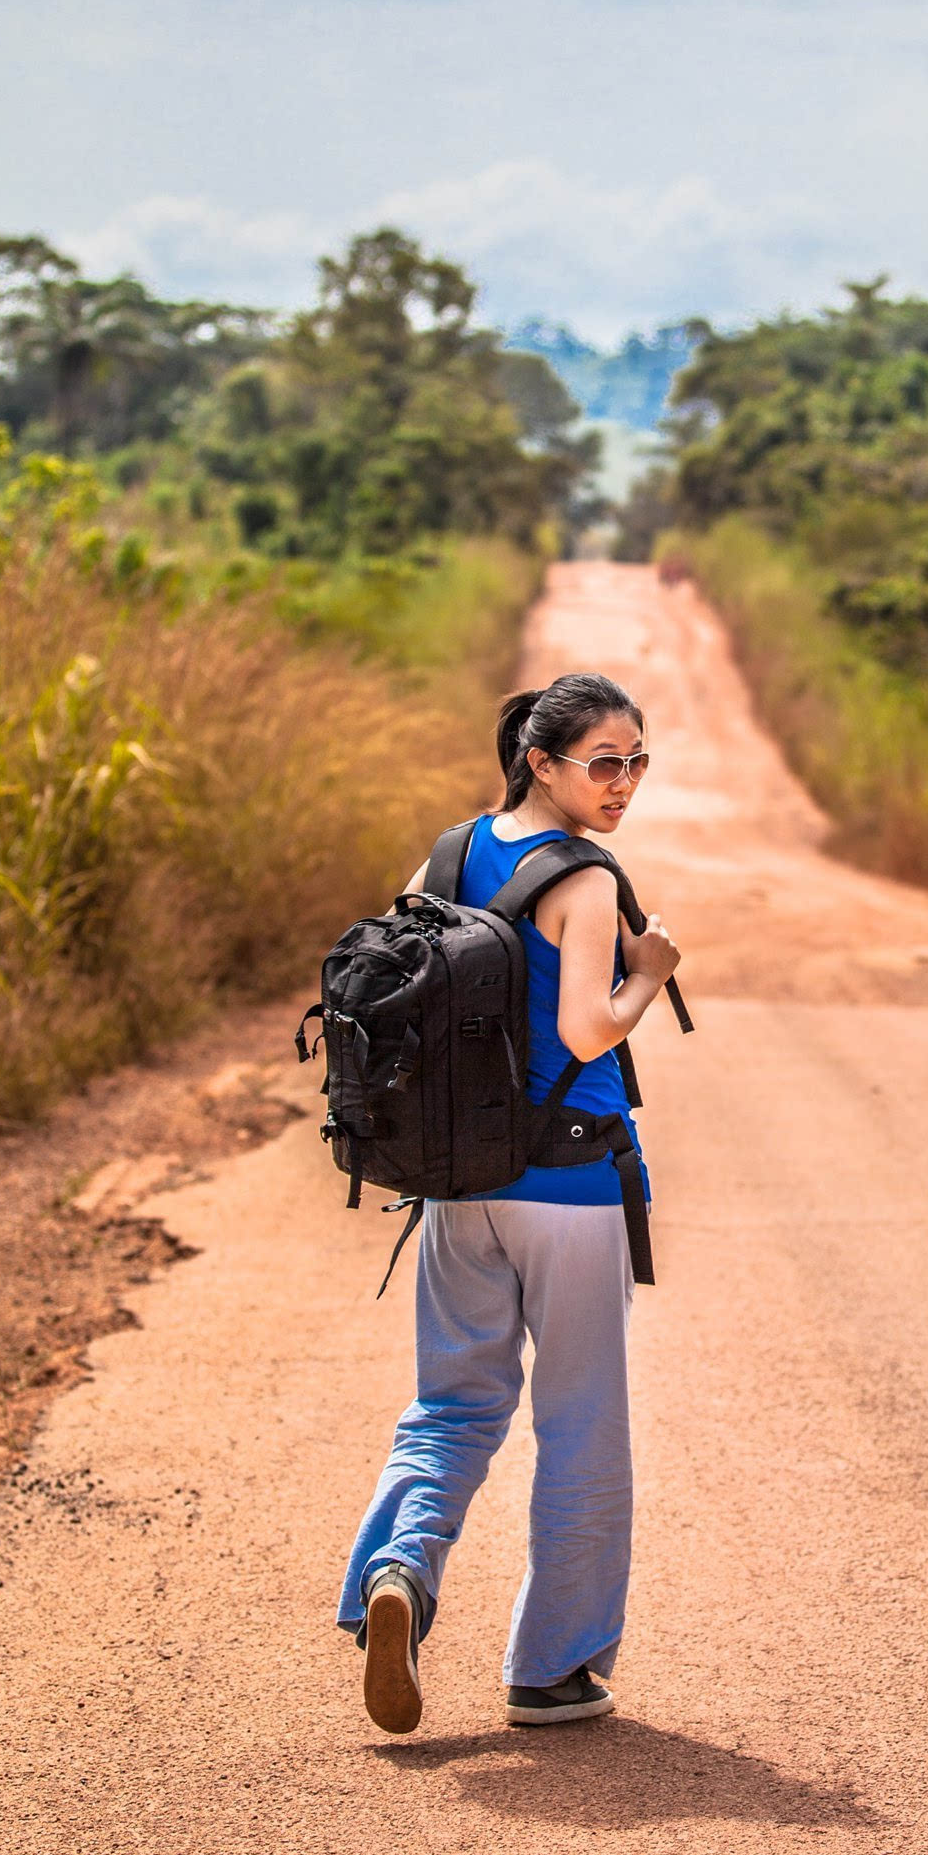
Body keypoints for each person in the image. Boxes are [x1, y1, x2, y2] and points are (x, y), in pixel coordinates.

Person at [336, 671, 681, 1736]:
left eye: (636, 764)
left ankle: (399, 1575)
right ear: (544, 761)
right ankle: (554, 1671)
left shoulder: (445, 855)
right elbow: (586, 1033)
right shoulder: (583, 882)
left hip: (456, 1184)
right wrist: (650, 971)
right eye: (602, 764)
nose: (621, 785)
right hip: (570, 1191)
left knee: (449, 1407)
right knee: (580, 1426)